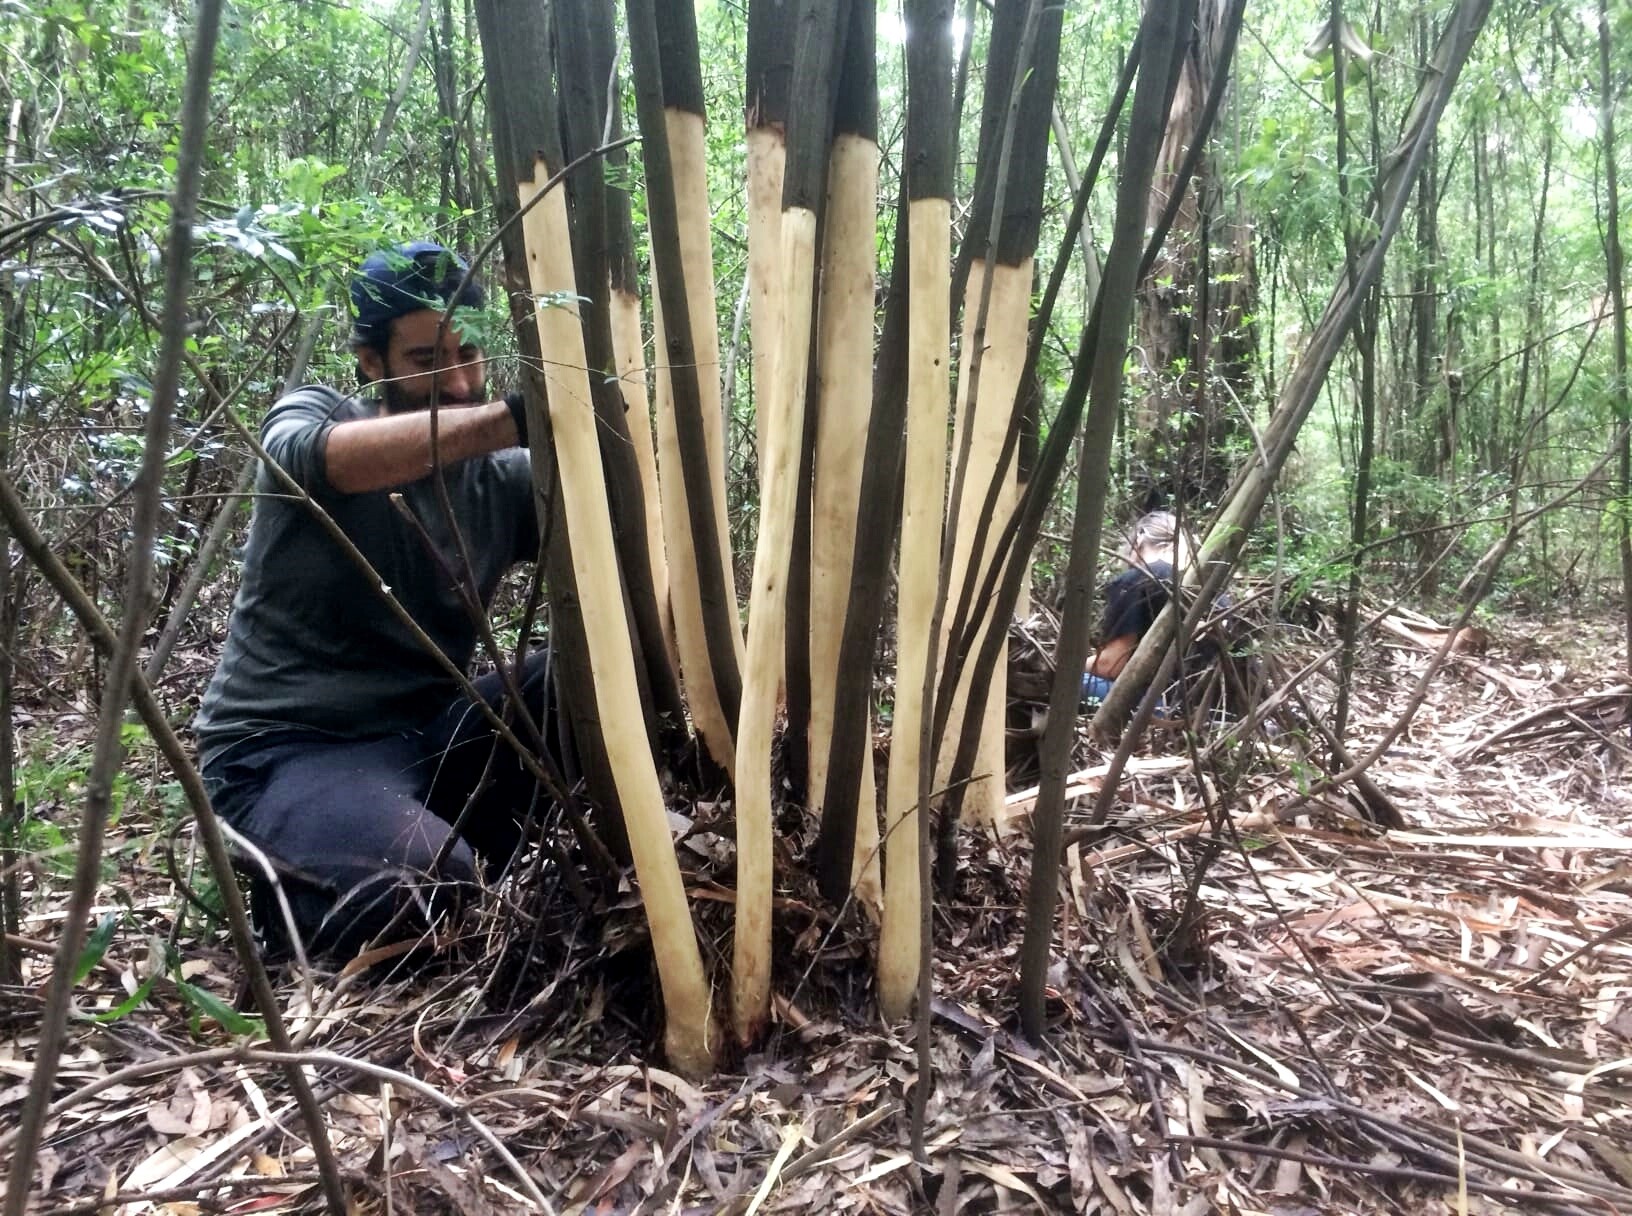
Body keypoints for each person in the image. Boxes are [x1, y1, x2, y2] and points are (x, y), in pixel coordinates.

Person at [194, 241, 550, 960]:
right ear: (370, 362)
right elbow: (325, 457)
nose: (459, 382)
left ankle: (418, 842)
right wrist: (514, 419)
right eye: (427, 360)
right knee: (423, 894)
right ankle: (304, 881)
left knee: (585, 674)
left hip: (435, 739)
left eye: (470, 354)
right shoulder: (316, 415)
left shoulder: (501, 482)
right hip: (288, 753)